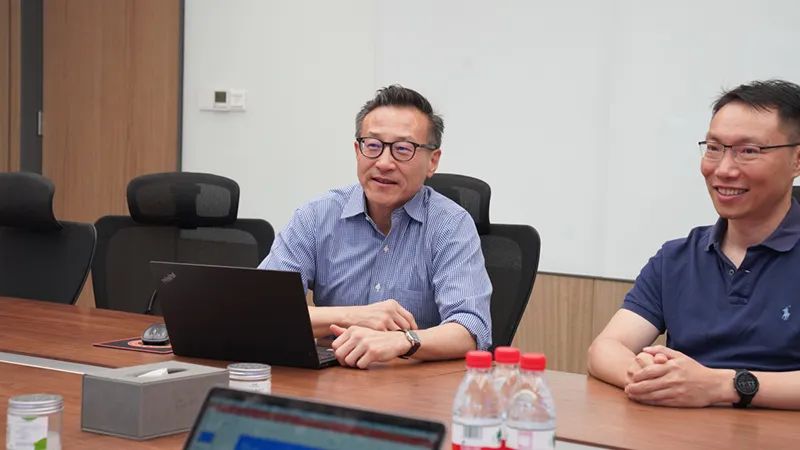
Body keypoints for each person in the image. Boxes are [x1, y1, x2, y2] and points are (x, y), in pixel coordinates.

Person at [587, 79, 800, 410]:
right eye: (714, 148)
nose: (724, 169)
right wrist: (653, 378)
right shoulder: (676, 258)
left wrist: (723, 386)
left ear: (797, 160)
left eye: (748, 151)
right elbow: (605, 349)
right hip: (680, 429)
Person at [259, 85, 492, 369]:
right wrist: (353, 316)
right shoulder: (316, 216)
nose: (384, 163)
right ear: (357, 151)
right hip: (331, 379)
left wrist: (404, 340)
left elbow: (470, 329)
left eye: (403, 149)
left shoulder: (450, 225)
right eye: (372, 146)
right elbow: (261, 309)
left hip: (415, 383)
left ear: (432, 161)